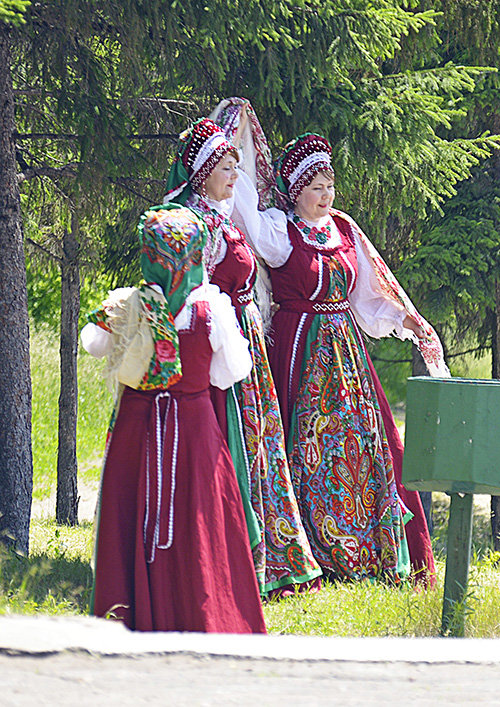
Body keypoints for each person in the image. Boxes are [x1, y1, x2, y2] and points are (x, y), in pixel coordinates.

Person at [230, 129, 449, 585]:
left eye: (329, 186)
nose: (325, 195)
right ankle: (314, 552)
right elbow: (244, 211)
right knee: (305, 447)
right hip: (299, 347)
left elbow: (370, 287)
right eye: (315, 187)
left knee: (367, 445)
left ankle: (376, 555)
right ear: (296, 191)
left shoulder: (345, 228)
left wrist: (406, 320)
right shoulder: (279, 230)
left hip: (348, 353)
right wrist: (235, 140)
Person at [85, 205, 266, 633]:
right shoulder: (211, 308)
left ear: (150, 253)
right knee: (200, 520)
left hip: (138, 428)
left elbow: (92, 344)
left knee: (133, 512)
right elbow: (233, 371)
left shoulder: (129, 302)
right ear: (197, 255)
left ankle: (127, 614)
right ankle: (203, 614)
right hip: (194, 429)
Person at [165, 113, 323, 596]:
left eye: (236, 165)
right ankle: (237, 554)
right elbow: (189, 291)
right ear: (202, 173)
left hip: (244, 338)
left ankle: (273, 549)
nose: (235, 176)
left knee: (259, 442)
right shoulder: (194, 223)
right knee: (232, 439)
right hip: (218, 346)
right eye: (226, 167)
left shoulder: (223, 217)